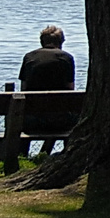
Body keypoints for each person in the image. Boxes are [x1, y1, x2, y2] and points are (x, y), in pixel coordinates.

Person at [18, 25, 76, 154]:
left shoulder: (29, 57)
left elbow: (23, 88)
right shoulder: (66, 58)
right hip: (60, 121)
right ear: (61, 42)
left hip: (30, 121)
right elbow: (70, 89)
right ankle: (66, 153)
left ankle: (22, 155)